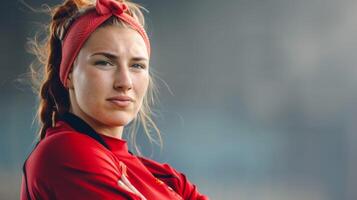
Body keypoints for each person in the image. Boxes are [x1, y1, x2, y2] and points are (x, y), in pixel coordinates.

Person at [20, 0, 208, 199]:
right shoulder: (64, 153)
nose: (125, 82)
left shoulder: (163, 176)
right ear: (68, 74)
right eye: (105, 63)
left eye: (137, 66)